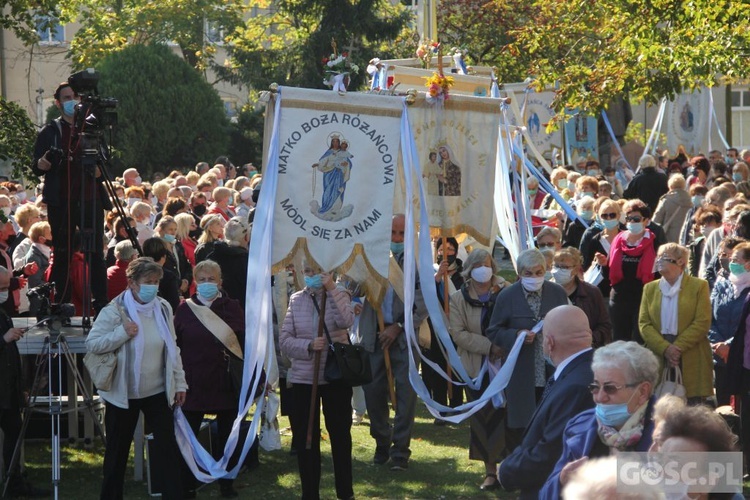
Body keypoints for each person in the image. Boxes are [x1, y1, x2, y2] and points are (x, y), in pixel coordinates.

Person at [86, 258, 187, 500]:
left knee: (168, 450)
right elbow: (93, 344)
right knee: (117, 453)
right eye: (147, 282)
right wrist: (122, 333)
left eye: (156, 282)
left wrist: (180, 382)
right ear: (131, 283)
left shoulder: (163, 307)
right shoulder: (114, 310)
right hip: (124, 394)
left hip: (157, 391)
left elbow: (173, 347)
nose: (153, 286)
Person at [540, 341, 660, 499]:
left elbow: (692, 493)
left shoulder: (673, 431)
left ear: (643, 391)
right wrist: (562, 480)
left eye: (610, 388)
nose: (600, 397)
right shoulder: (579, 426)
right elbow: (545, 495)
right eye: (595, 387)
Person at [29, 82, 111, 313]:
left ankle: (101, 302)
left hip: (90, 199)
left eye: (75, 96)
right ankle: (60, 302)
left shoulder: (92, 129)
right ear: (57, 102)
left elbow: (105, 165)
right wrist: (43, 163)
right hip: (61, 200)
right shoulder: (50, 132)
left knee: (94, 251)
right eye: (66, 97)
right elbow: (36, 165)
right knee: (62, 252)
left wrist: (98, 169)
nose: (72, 101)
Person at [498, 305, 595, 499]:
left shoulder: (574, 386)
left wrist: (507, 471)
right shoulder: (587, 370)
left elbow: (550, 452)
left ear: (549, 342)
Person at [279, 263, 355, 500]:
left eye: (317, 271)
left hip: (335, 378)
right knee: (306, 438)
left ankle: (345, 492)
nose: (311, 276)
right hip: (304, 379)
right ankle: (309, 493)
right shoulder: (296, 299)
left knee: (340, 435)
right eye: (308, 271)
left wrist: (332, 288)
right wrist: (309, 345)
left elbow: (346, 321)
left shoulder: (339, 293)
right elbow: (285, 340)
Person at [360, 214, 427, 471]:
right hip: (374, 336)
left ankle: (400, 450)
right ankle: (381, 441)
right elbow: (353, 288)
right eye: (392, 233)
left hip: (404, 338)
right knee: (373, 393)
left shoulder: (418, 262)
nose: (397, 238)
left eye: (402, 234)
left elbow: (423, 301)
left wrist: (398, 327)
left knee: (406, 396)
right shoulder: (370, 258)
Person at [486, 248, 568, 453]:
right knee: (519, 424)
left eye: (539, 272)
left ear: (546, 270)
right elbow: (494, 330)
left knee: (550, 421)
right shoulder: (507, 296)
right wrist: (516, 335)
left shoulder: (557, 293)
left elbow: (567, 324)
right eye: (528, 273)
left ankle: (544, 473)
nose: (534, 277)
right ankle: (518, 469)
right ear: (520, 274)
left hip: (550, 370)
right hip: (520, 372)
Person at [174, 260, 245, 498]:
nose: (207, 283)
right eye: (202, 279)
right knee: (189, 437)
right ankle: (187, 484)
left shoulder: (232, 307)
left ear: (220, 282)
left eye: (211, 279)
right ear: (195, 282)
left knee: (228, 437)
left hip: (224, 381)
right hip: (193, 382)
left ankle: (227, 483)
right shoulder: (184, 309)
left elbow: (244, 343)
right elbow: (175, 345)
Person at [447, 249, 506, 490]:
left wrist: (503, 343)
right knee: (484, 420)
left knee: (508, 418)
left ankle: (510, 470)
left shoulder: (506, 290)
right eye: (479, 264)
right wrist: (489, 347)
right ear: (470, 268)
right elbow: (458, 333)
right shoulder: (458, 299)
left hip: (506, 365)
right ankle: (490, 472)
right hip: (476, 367)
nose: (485, 268)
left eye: (488, 263)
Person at [639, 243, 713, 405]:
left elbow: (702, 321)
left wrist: (676, 348)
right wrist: (665, 348)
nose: (659, 261)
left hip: (691, 351)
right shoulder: (649, 288)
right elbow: (644, 323)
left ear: (681, 262)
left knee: (692, 405)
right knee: (658, 403)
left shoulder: (698, 286)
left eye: (665, 258)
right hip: (659, 351)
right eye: (658, 258)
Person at [0, 266, 48, 498]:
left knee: (14, 432)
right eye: (1, 288)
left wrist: (21, 389)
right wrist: (3, 338)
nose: (4, 292)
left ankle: (14, 483)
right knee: (13, 432)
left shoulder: (2, 312)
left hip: (7, 389)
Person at [598, 199, 659, 343]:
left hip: (642, 299)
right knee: (619, 340)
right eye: (629, 218)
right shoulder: (618, 241)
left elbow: (658, 275)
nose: (632, 222)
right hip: (619, 299)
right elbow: (609, 275)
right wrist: (604, 264)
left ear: (646, 220)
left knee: (640, 340)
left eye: (636, 219)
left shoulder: (654, 242)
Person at [423, 237, 465, 417]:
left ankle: (456, 405)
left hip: (456, 327)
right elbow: (425, 293)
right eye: (442, 249)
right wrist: (438, 277)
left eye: (450, 248)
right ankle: (440, 407)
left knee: (455, 368)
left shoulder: (462, 274)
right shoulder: (430, 271)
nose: (446, 252)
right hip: (435, 328)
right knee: (438, 368)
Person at [710, 240, 750, 407]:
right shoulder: (722, 284)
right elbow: (709, 317)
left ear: (748, 264)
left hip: (742, 358)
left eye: (736, 260)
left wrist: (730, 347)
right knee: (722, 406)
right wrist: (718, 345)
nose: (731, 263)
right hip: (720, 356)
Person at [551, 248, 611, 347]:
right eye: (556, 266)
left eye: (565, 267)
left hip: (586, 350)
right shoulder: (546, 292)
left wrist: (591, 339)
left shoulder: (592, 293)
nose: (559, 270)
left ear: (575, 269)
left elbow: (605, 325)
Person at [203, 217, 250, 306]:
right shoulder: (246, 261)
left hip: (214, 309)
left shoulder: (211, 256)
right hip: (239, 311)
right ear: (246, 237)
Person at [653, 174, 692, 243]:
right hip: (685, 237)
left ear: (670, 186)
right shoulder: (690, 201)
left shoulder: (666, 200)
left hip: (668, 237)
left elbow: (656, 220)